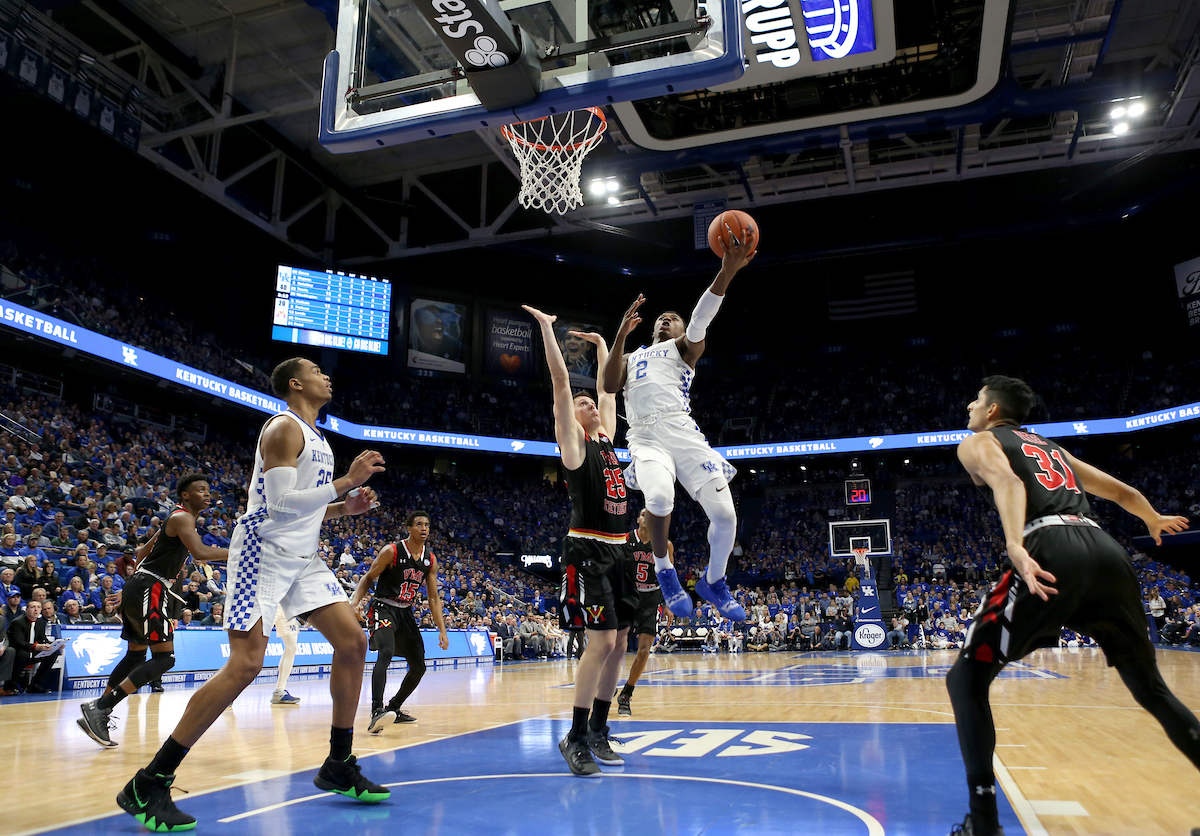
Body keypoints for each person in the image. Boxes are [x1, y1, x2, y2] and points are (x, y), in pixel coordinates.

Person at [115, 357, 389, 831]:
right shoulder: (283, 429)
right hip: (260, 553)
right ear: (296, 383)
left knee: (353, 643)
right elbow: (280, 508)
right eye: (317, 370)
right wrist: (347, 482)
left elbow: (305, 512)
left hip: (302, 558)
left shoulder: (318, 438)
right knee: (246, 664)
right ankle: (148, 782)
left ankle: (338, 762)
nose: (328, 376)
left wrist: (347, 507)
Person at [946, 376, 1199, 836]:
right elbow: (1121, 492)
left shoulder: (978, 441)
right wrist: (1153, 518)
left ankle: (983, 823)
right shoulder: (1050, 447)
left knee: (966, 676)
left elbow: (1006, 482)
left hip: (1050, 544)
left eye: (976, 400)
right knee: (1153, 691)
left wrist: (1016, 545)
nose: (969, 405)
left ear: (993, 413)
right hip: (1106, 550)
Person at [601, 223, 757, 623]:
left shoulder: (684, 348)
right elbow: (607, 383)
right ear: (651, 328)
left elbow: (703, 317)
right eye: (663, 318)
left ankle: (714, 581)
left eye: (674, 318)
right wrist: (620, 332)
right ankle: (665, 570)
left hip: (682, 431)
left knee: (726, 516)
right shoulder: (634, 356)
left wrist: (727, 272)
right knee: (658, 500)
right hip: (646, 436)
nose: (667, 319)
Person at [524, 304, 631, 778]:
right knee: (602, 641)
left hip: (620, 546)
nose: (589, 403)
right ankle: (575, 734)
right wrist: (549, 330)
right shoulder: (574, 444)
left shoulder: (607, 437)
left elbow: (607, 388)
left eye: (593, 404)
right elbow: (562, 385)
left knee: (620, 641)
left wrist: (606, 344)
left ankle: (600, 730)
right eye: (582, 404)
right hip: (586, 549)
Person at [350, 510, 449, 732]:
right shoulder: (392, 551)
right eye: (419, 524)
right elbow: (368, 578)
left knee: (419, 666)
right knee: (385, 652)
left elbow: (433, 598)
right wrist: (355, 602)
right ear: (409, 528)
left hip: (405, 612)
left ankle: (393, 708)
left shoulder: (430, 560)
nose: (424, 528)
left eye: (427, 525)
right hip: (383, 607)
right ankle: (377, 711)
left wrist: (442, 629)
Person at [616, 509, 670, 717]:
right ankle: (607, 682)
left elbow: (668, 576)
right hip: (628, 595)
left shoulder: (664, 544)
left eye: (650, 513)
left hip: (651, 597)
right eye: (641, 513)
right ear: (638, 519)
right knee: (614, 645)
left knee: (644, 649)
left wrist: (668, 603)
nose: (645, 516)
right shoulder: (625, 540)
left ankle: (627, 693)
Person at [4, 599, 62, 693]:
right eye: (32, 607)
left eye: (38, 607)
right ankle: (11, 685)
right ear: (26, 610)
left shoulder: (41, 623)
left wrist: (54, 645)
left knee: (53, 653)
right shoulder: (18, 622)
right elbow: (18, 642)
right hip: (19, 652)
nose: (36, 610)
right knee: (23, 654)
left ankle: (36, 684)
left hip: (33, 652)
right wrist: (36, 647)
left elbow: (43, 639)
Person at [270, 609, 302, 705]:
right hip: (271, 600)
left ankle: (280, 691)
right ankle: (229, 691)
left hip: (286, 605)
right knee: (255, 642)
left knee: (292, 647)